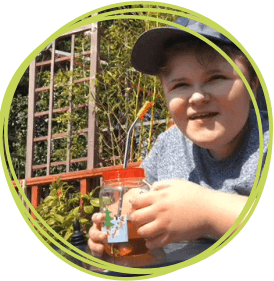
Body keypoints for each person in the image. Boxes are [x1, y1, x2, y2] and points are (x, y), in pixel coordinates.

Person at [88, 17, 269, 263]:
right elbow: (135, 200)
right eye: (180, 84)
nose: (197, 96)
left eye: (216, 78)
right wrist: (112, 227)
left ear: (252, 84)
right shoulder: (169, 145)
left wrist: (207, 211)